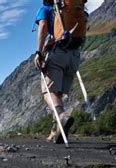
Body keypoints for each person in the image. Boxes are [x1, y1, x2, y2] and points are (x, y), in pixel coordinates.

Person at [33, 2, 81, 144]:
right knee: (58, 94)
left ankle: (60, 116)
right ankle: (56, 131)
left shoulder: (47, 8)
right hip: (75, 55)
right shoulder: (72, 7)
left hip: (57, 51)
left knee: (49, 93)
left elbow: (43, 25)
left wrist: (39, 52)